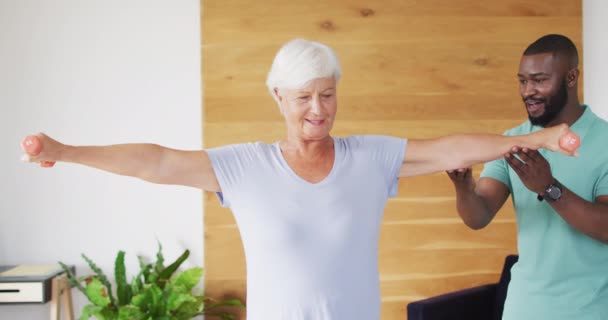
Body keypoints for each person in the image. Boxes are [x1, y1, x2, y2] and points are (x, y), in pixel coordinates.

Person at [23, 38, 578, 320]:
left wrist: (535, 139)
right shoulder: (244, 167)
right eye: (305, 95)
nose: (319, 108)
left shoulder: (369, 157)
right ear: (279, 96)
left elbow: (450, 148)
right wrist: (66, 151)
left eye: (329, 94)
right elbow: (158, 162)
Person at [447, 34, 608, 320]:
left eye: (539, 80)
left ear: (571, 77)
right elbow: (478, 216)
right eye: (522, 81)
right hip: (523, 310)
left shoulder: (605, 141)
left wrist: (549, 187)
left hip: (589, 312)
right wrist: (464, 187)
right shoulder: (514, 141)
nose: (527, 91)